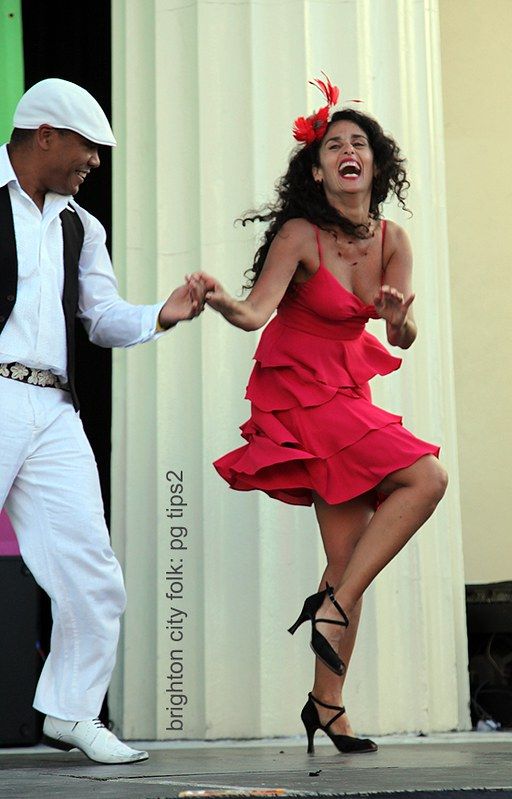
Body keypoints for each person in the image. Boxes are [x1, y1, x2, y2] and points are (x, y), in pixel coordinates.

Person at [192, 77, 448, 753]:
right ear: (318, 168)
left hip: (347, 391)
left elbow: (404, 335)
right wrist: (219, 298)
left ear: (375, 164)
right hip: (300, 394)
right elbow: (253, 313)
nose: (347, 149)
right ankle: (331, 611)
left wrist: (399, 318)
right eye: (334, 144)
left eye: (359, 142)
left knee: (345, 559)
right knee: (427, 478)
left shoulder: (393, 239)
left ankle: (326, 704)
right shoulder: (301, 234)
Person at [0, 78, 204, 763]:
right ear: (46, 135)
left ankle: (72, 709)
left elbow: (100, 317)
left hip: (53, 408)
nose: (95, 162)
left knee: (93, 571)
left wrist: (159, 313)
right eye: (89, 147)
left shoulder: (80, 225)